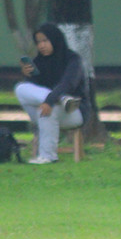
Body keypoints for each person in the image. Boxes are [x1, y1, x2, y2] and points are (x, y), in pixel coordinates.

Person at [15, 23, 88, 164]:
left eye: (45, 41)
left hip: (74, 110)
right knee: (20, 88)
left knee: (48, 109)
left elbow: (69, 83)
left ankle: (48, 156)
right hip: (48, 106)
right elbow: (33, 90)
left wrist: (50, 101)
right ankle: (61, 98)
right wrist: (28, 75)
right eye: (38, 42)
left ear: (55, 39)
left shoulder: (73, 59)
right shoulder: (38, 62)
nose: (41, 45)